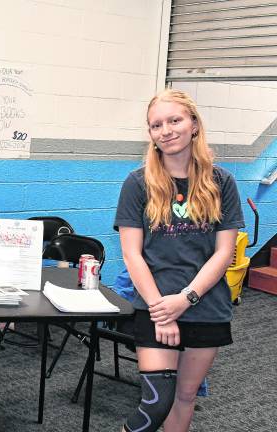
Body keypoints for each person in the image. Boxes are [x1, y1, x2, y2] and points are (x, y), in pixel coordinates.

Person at [114, 89, 244, 432]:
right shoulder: (137, 182)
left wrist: (185, 300)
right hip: (154, 307)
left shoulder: (222, 182)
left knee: (185, 397)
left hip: (205, 306)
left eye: (175, 120)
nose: (166, 130)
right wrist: (162, 309)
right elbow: (132, 254)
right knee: (157, 402)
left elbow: (224, 253)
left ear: (194, 125)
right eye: (156, 125)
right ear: (151, 134)